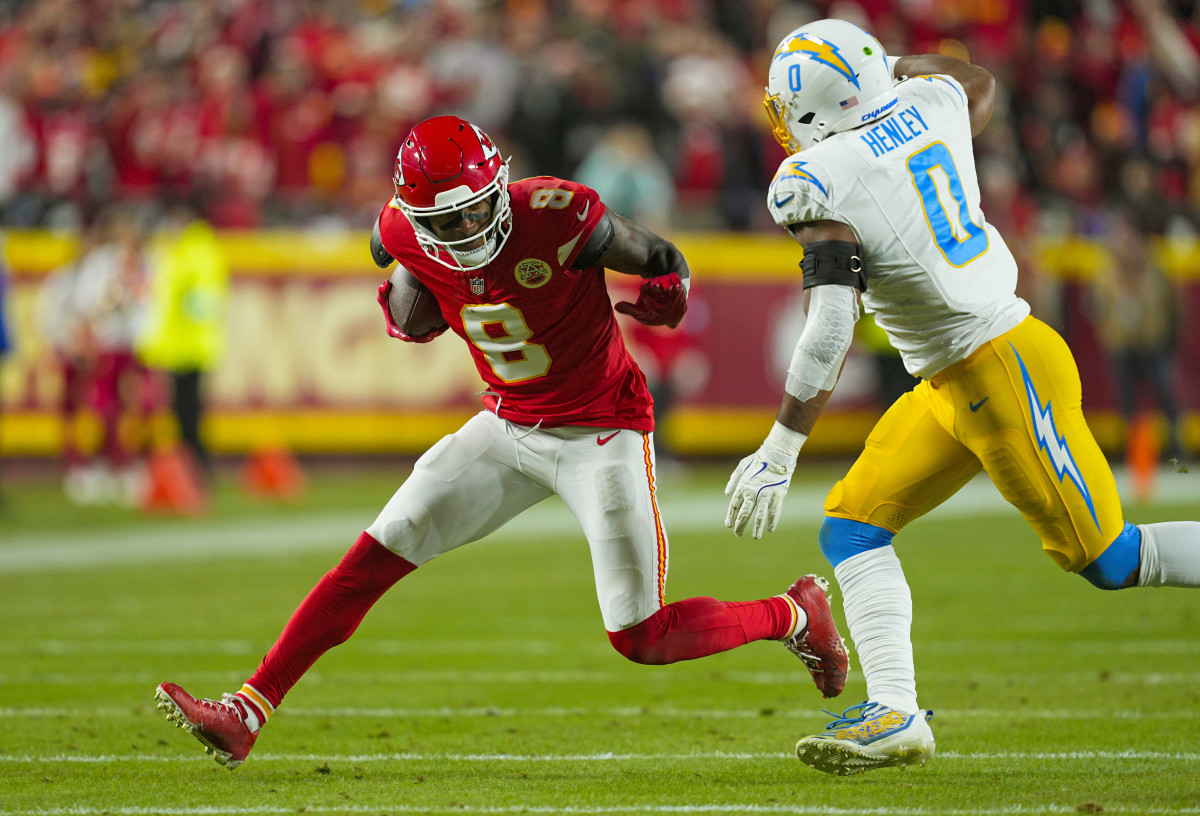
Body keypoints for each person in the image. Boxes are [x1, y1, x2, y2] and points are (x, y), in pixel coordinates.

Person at [153, 115, 848, 770]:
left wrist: (670, 286)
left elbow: (659, 253)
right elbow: (396, 269)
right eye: (441, 220)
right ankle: (246, 712)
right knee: (373, 554)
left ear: (499, 185)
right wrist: (404, 301)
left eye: (473, 209)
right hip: (509, 423)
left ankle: (793, 613)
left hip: (600, 431)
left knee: (643, 637)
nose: (462, 228)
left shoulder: (559, 212)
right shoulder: (399, 231)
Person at [724, 19, 1200, 776]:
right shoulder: (935, 104)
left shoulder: (820, 175)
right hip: (954, 377)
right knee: (852, 525)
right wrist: (890, 72)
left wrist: (780, 447)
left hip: (1003, 372)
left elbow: (833, 320)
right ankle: (896, 714)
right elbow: (978, 83)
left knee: (1111, 559)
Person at [137, 204, 230, 480]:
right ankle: (193, 467)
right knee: (183, 412)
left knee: (188, 413)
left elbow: (203, 300)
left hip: (190, 346)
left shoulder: (196, 252)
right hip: (183, 346)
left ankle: (197, 468)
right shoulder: (186, 251)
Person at [1090, 208, 1184, 462]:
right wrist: (1109, 336)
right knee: (1126, 401)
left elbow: (1170, 304)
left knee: (1166, 396)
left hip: (1153, 343)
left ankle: (1176, 445)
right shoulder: (1107, 274)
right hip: (1123, 345)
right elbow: (1099, 309)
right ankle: (1129, 448)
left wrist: (1168, 337)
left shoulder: (1153, 268)